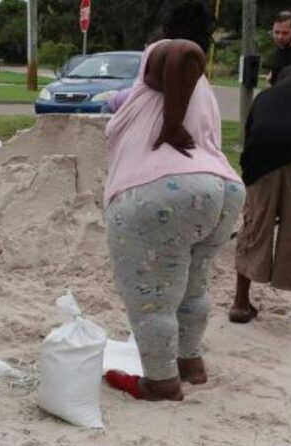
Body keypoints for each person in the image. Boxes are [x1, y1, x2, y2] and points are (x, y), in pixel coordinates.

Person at [102, 1, 245, 401]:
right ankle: (190, 363)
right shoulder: (203, 90)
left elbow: (183, 51)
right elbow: (137, 96)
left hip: (163, 190)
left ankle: (161, 382)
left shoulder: (165, 51)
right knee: (193, 287)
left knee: (152, 296)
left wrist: (169, 125)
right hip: (222, 190)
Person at [229, 65, 291, 341]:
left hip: (262, 161)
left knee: (254, 227)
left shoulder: (265, 98)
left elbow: (248, 141)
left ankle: (240, 304)